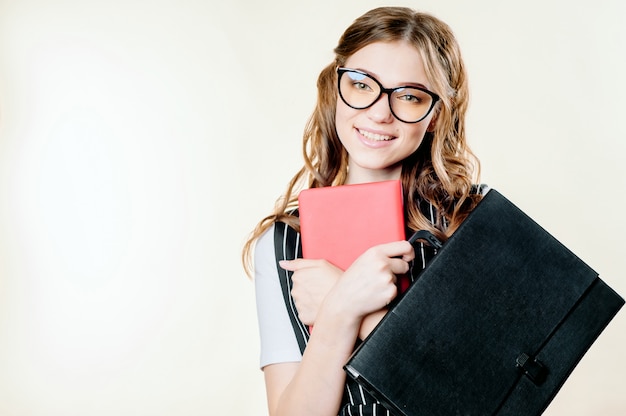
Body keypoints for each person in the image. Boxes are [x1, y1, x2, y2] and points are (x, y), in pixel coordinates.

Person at [242, 6, 483, 416]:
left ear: (435, 114)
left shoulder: (472, 219)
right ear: (335, 88)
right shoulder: (282, 244)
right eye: (361, 84)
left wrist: (357, 307)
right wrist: (339, 316)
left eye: (409, 96)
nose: (379, 111)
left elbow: (480, 398)